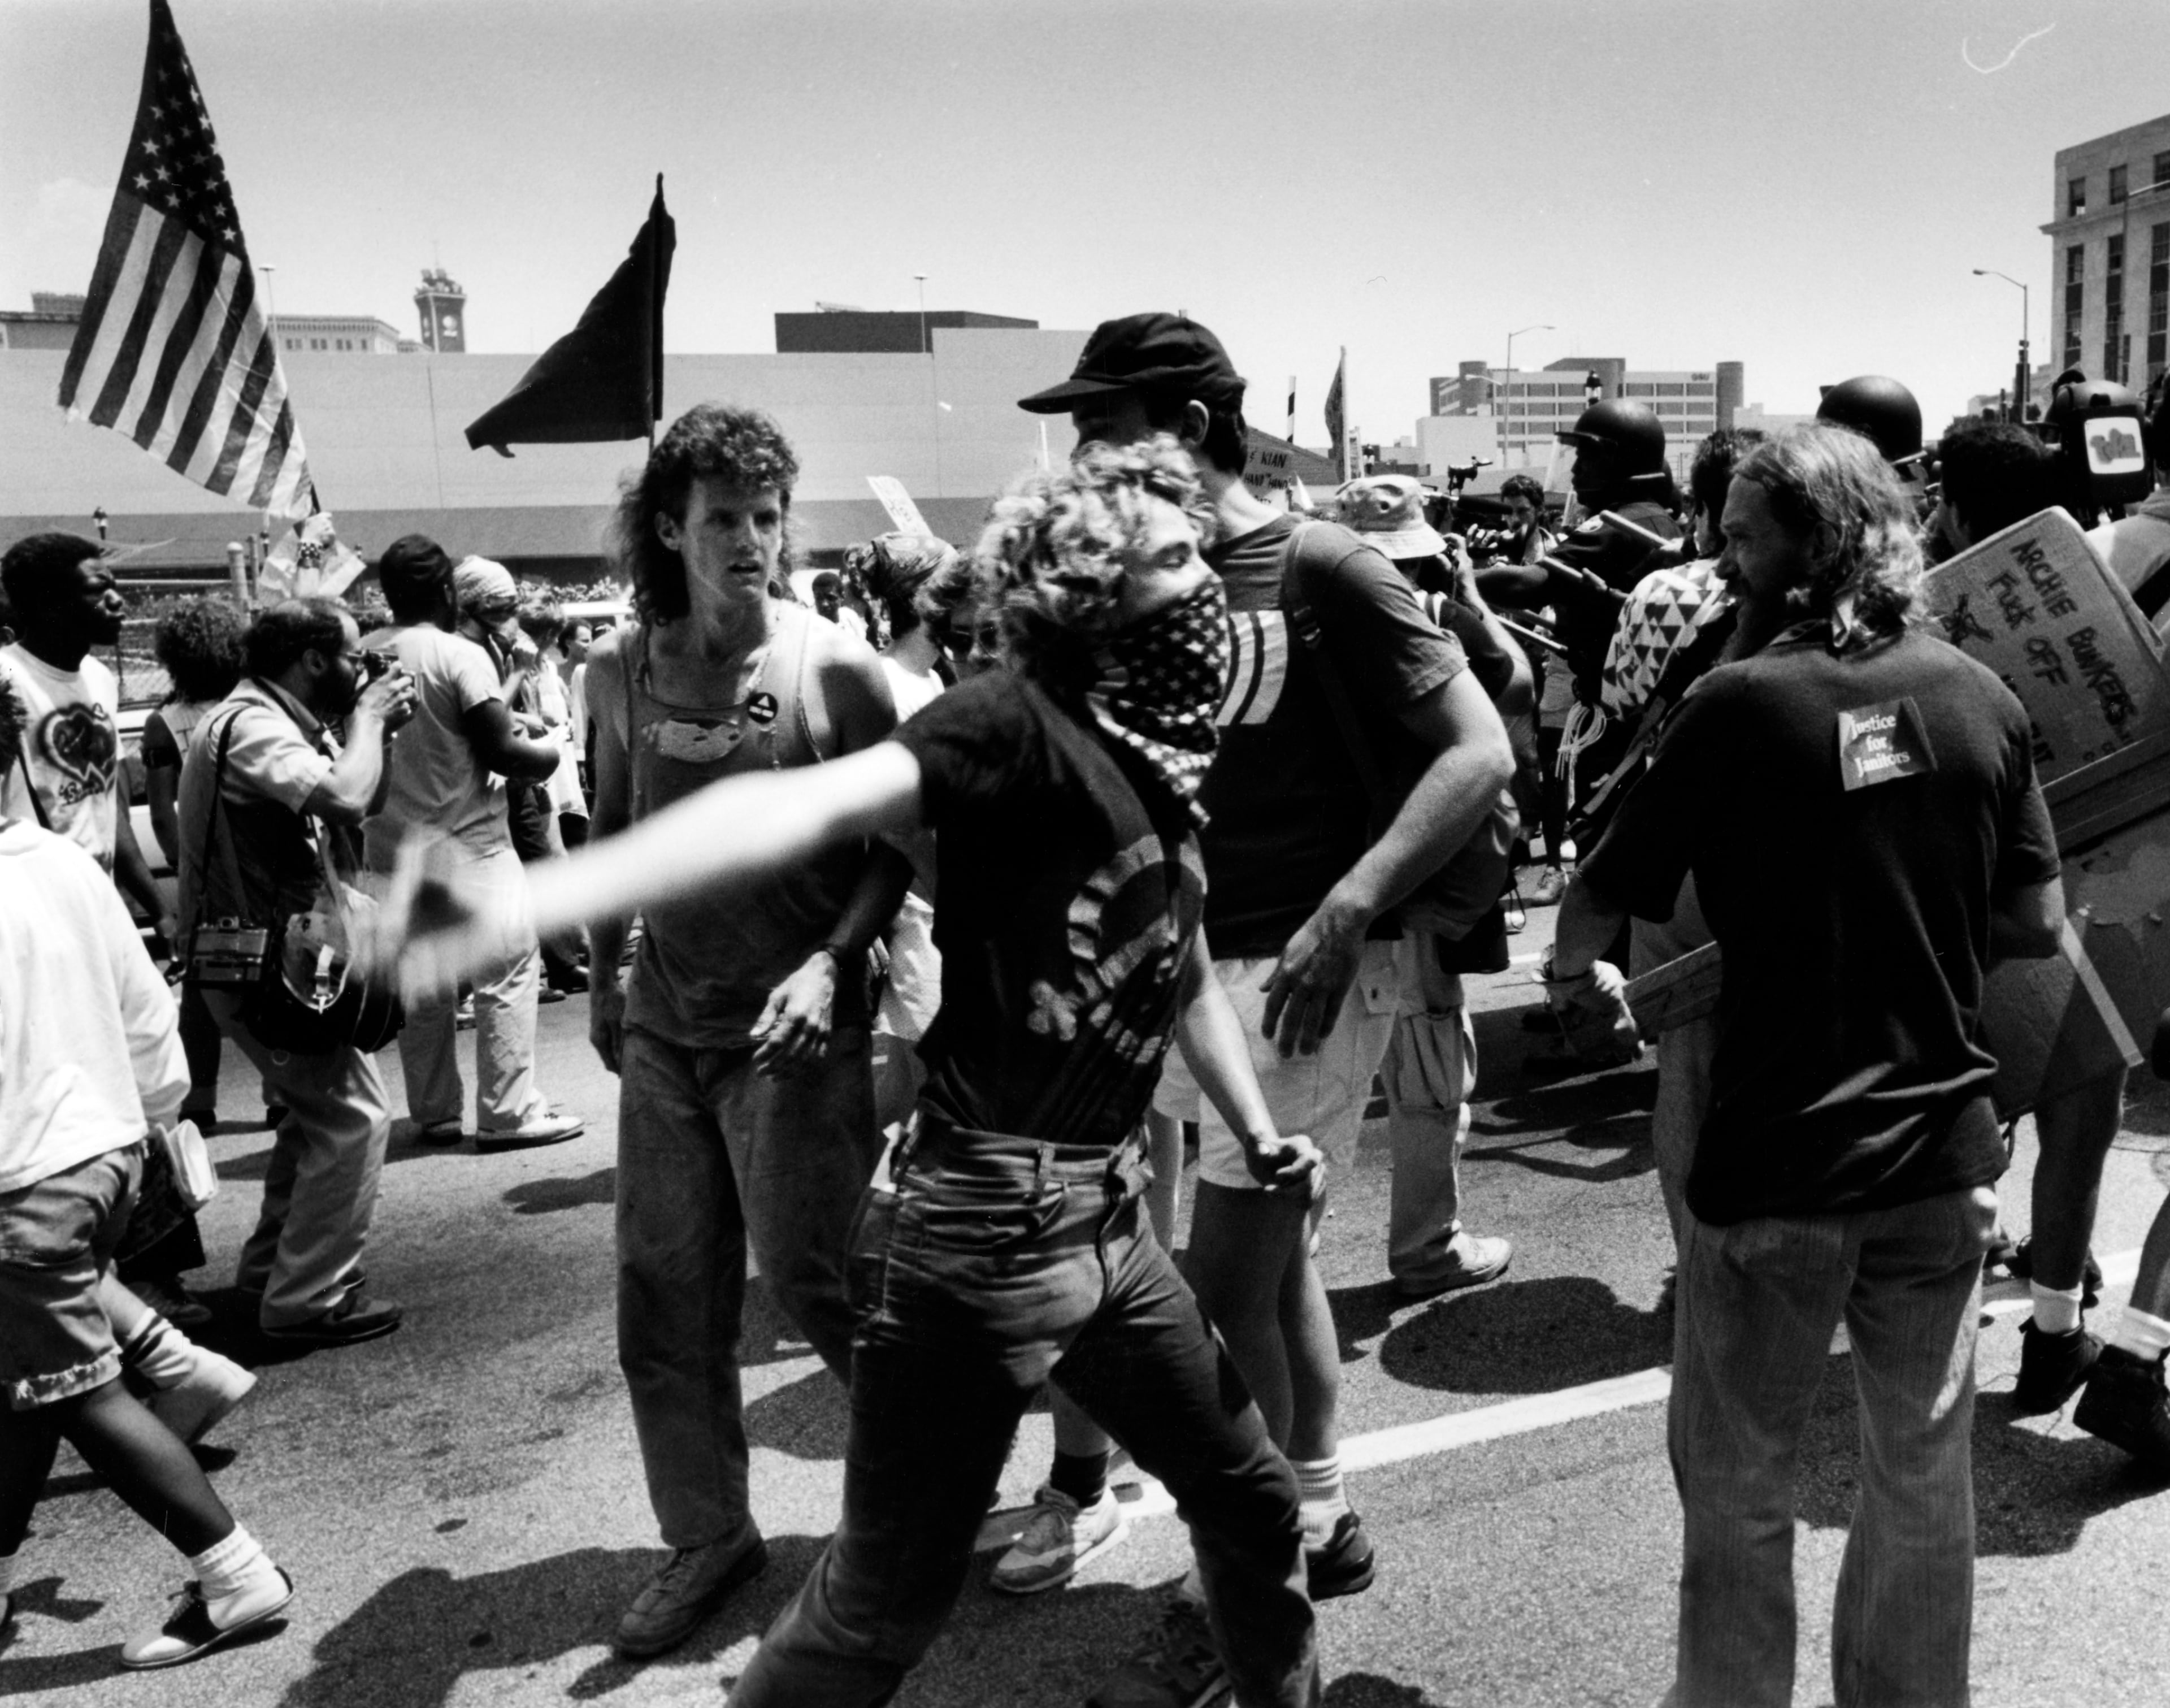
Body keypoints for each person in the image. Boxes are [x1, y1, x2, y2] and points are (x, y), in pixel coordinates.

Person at [380, 439, 1326, 1708]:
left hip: (1105, 1225)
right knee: (880, 1608)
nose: (1207, 582)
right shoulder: (1011, 721)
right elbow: (776, 809)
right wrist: (529, 902)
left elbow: (1185, 961)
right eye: (1170, 559)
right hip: (979, 1236)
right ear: (1095, 593)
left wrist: (1256, 1125)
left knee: (1256, 1501)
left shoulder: (1154, 748)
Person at [1016, 313, 1514, 1702]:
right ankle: (1312, 1512)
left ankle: (1240, 1586)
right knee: (1271, 1268)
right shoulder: (1132, 576)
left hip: (1295, 973)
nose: (1083, 454)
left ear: (1184, 421)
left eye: (1102, 426)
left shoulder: (1323, 564)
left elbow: (1475, 750)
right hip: (1178, 979)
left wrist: (1347, 906)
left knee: (1212, 1296)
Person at [1551, 424, 2063, 1708]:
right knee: (1918, 1476)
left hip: (1775, 1161)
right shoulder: (1978, 697)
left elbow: (1599, 894)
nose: (1719, 556)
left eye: (1738, 534)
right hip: (1943, 1166)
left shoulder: (1736, 704)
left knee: (1736, 1483)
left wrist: (1576, 984)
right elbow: (2037, 928)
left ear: (1809, 541)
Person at [578, 404, 912, 1660]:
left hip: (798, 1035)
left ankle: (921, 1496)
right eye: (724, 518)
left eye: (768, 516)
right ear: (672, 527)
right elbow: (612, 834)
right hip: (668, 1028)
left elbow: (895, 848)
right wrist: (609, 978)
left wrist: (831, 968)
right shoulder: (618, 670)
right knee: (662, 1298)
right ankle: (710, 1534)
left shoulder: (832, 668)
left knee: (819, 1282)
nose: (753, 540)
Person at [0, 672, 294, 1671]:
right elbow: (149, 1030)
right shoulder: (59, 861)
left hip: (22, 1182)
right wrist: (150, 1125)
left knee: (77, 1391)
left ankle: (233, 1567)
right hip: (106, 1158)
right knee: (31, 1378)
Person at [179, 598, 419, 1345]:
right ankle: (308, 1297)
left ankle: (272, 1270)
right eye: (353, 656)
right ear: (314, 659)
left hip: (268, 954)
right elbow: (347, 795)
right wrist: (371, 719)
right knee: (352, 1116)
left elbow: (355, 806)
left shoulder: (270, 719)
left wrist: (373, 729)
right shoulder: (250, 724)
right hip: (256, 961)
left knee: (319, 1116)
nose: (363, 670)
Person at [1336, 472, 1520, 1295]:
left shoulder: (1304, 629)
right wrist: (1469, 590)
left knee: (1315, 1081)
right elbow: (1512, 682)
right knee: (1428, 1070)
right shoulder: (1440, 620)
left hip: (1327, 875)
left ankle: (1277, 1261)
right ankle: (1425, 1247)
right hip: (1419, 877)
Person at [359, 541, 581, 1149]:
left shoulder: (366, 654)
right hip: (472, 844)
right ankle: (507, 1112)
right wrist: (552, 751)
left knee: (424, 985)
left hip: (391, 846)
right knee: (507, 971)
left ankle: (433, 1112)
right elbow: (503, 753)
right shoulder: (459, 655)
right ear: (450, 593)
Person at [853, 531, 976, 1133]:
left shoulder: (935, 677)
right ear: (928, 594)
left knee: (908, 1085)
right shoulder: (886, 684)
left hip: (936, 900)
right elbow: (873, 814)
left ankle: (838, 1194)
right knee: (935, 1083)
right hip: (918, 908)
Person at [0, 534, 171, 939]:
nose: (117, 601)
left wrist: (159, 908)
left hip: (97, 909)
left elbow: (106, 806)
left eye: (115, 586)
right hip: (31, 919)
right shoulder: (7, 680)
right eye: (98, 590)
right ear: (48, 603)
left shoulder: (99, 678)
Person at [144, 597, 250, 1137]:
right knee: (268, 976)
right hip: (254, 866)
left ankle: (201, 1102)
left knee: (203, 987)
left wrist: (187, 871)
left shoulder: (164, 724)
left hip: (200, 871)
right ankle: (280, 1094)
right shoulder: (252, 711)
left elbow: (163, 816)